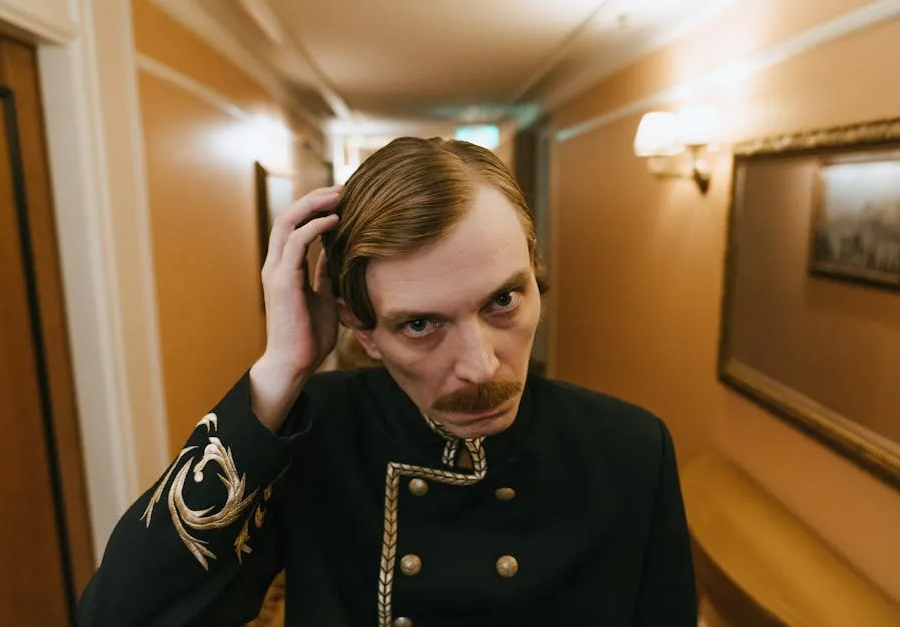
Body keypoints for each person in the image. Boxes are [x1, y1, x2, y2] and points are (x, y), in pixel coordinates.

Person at [76, 137, 697, 627]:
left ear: (535, 277)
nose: (480, 367)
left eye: (503, 299)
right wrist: (282, 369)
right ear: (363, 331)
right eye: (420, 324)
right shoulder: (311, 431)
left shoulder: (633, 447)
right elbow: (124, 615)